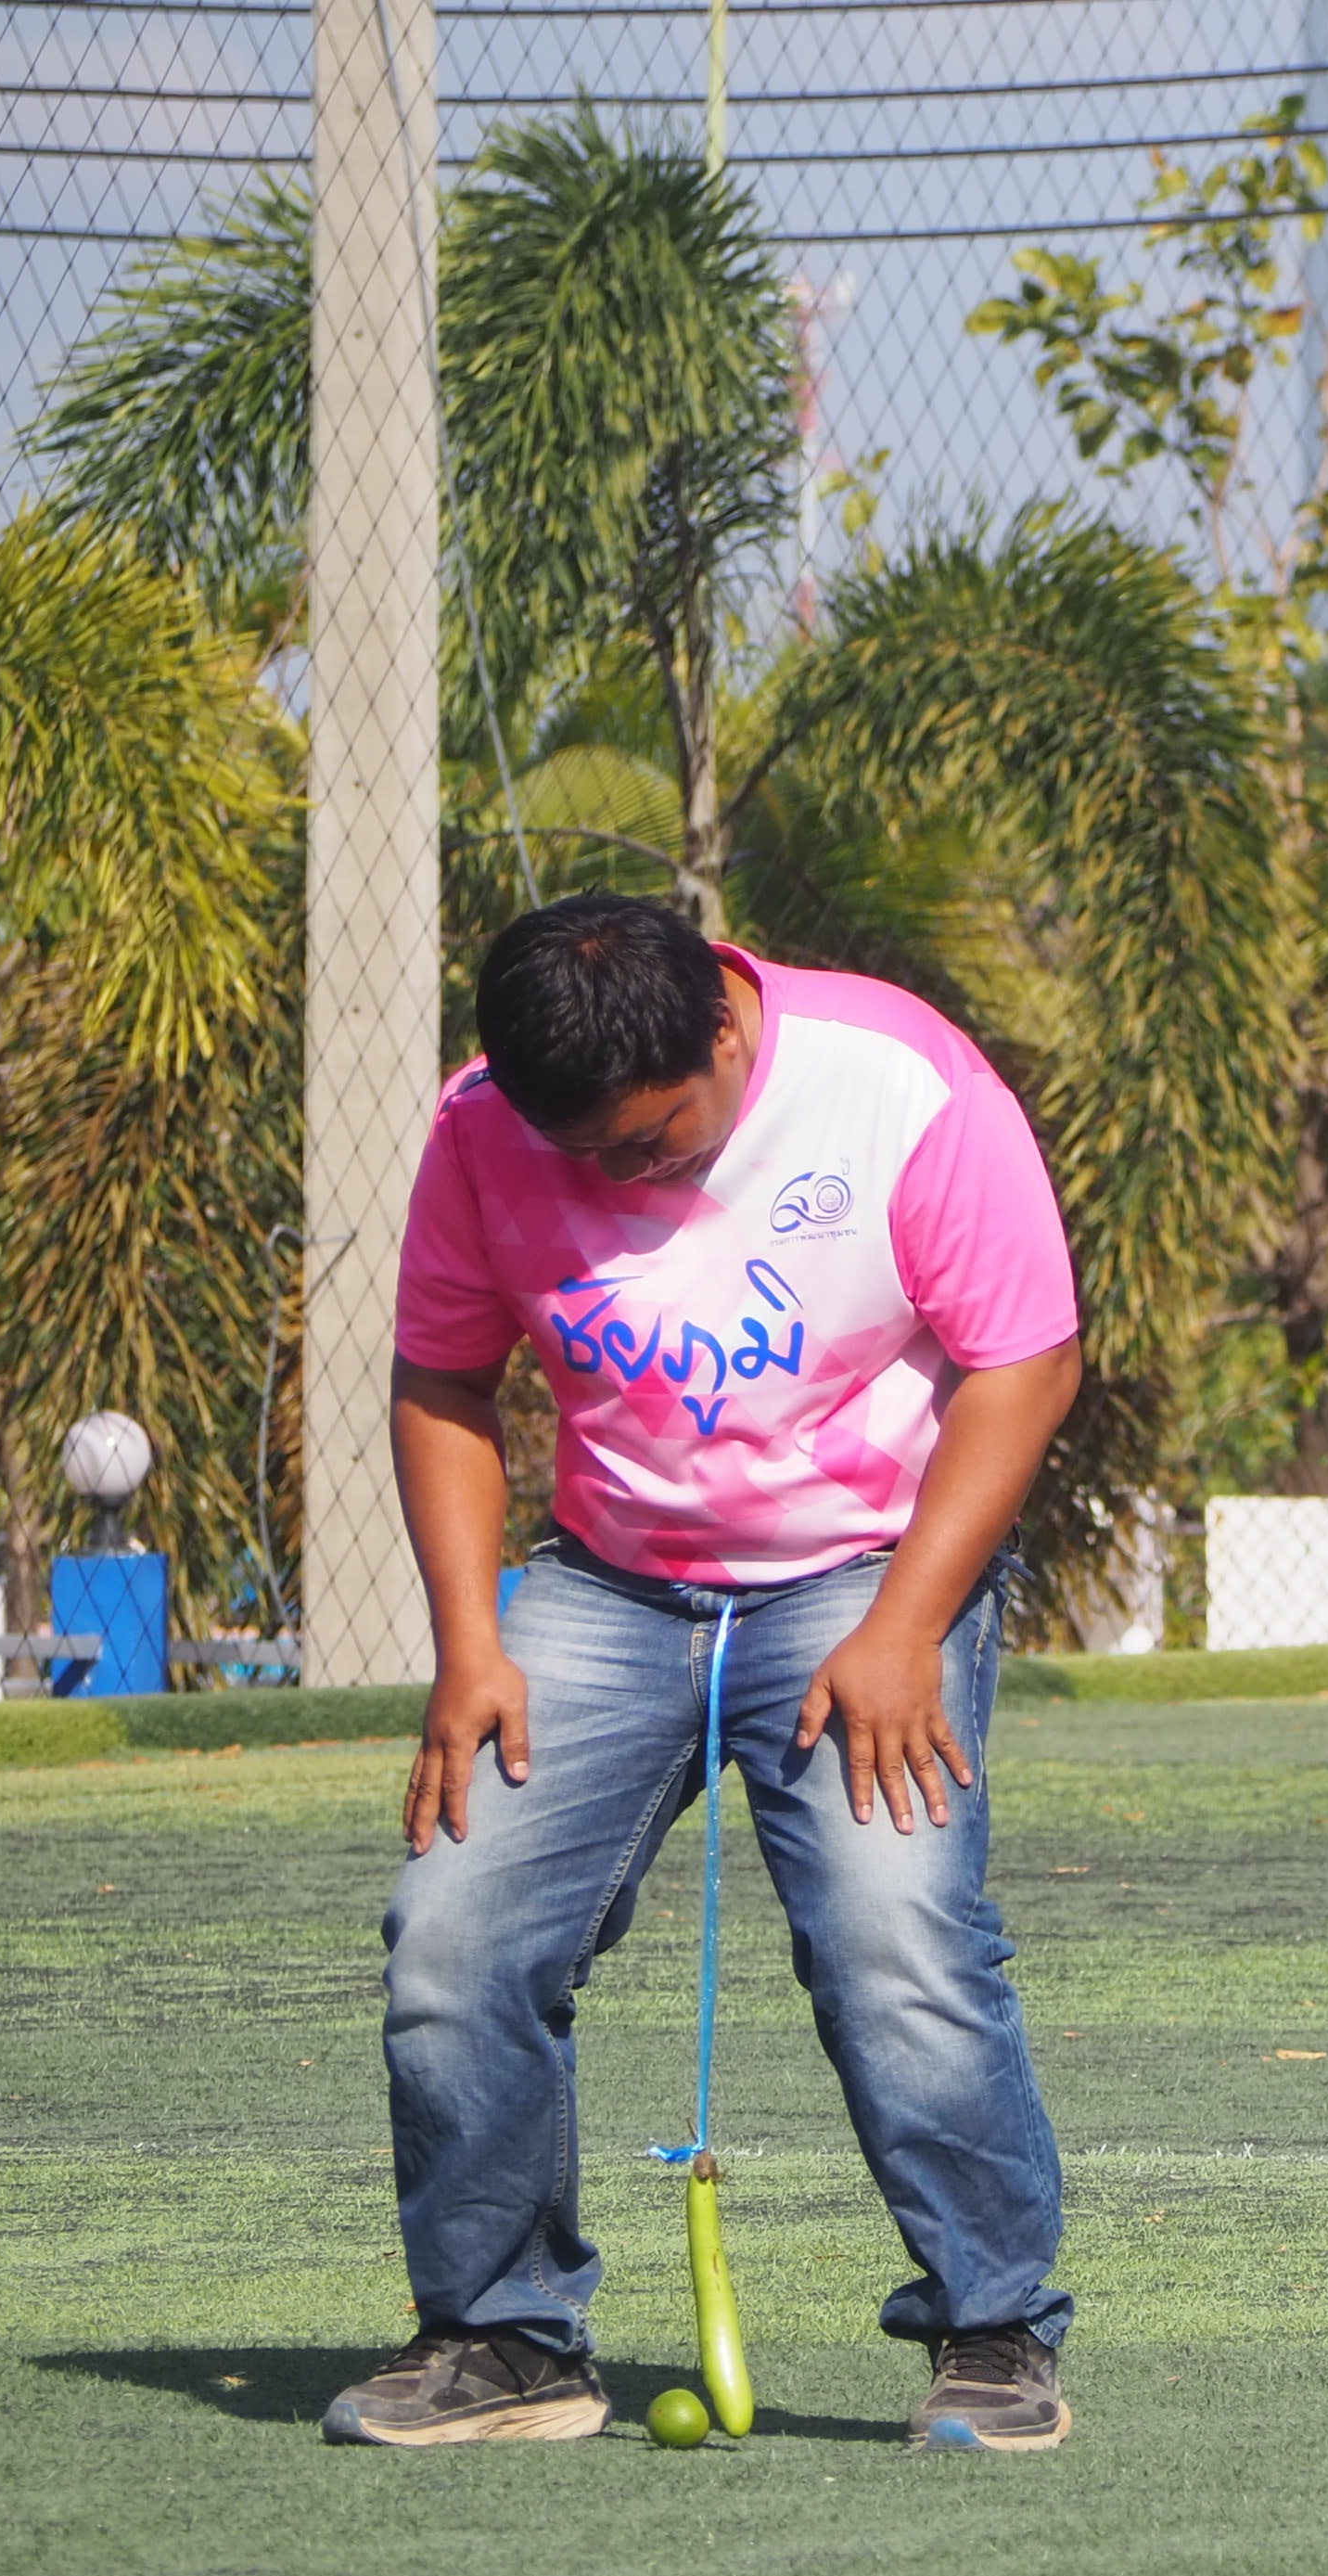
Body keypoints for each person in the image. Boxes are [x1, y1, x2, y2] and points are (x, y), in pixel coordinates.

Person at [323, 891, 1090, 2452]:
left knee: (894, 1933)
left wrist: (903, 1628)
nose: (620, 1179)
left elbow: (1027, 1357)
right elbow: (444, 1374)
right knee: (453, 1933)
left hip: (870, 1571)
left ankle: (994, 2333)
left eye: (651, 1142)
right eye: (588, 1158)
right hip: (610, 1587)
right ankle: (503, 2340)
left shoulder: (902, 1084)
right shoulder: (482, 1127)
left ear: (725, 1034)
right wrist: (470, 1644)